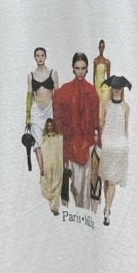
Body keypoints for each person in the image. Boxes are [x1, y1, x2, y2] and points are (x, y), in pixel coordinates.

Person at [53, 52, 101, 210]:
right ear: (73, 68)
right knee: (75, 185)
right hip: (71, 144)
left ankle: (84, 215)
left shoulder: (92, 92)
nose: (80, 71)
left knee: (85, 187)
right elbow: (59, 118)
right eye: (77, 68)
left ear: (87, 69)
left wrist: (97, 145)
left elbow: (95, 121)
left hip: (87, 144)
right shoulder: (65, 91)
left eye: (83, 68)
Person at [99, 75, 131, 226]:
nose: (117, 90)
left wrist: (125, 143)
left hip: (118, 146)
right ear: (111, 89)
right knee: (106, 179)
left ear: (122, 89)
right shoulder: (106, 105)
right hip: (107, 144)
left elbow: (126, 128)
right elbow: (102, 124)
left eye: (119, 88)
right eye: (115, 87)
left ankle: (107, 210)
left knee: (112, 181)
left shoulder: (126, 107)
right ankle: (107, 205)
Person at [25, 47, 58, 177]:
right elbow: (29, 96)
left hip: (50, 110)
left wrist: (59, 113)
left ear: (45, 57)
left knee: (49, 140)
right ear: (34, 57)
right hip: (36, 111)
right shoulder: (31, 75)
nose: (40, 58)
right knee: (37, 142)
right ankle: (42, 170)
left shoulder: (53, 73)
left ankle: (49, 168)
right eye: (37, 55)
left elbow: (57, 94)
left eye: (42, 55)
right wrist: (28, 117)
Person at [39, 118, 64, 215]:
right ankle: (51, 206)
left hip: (57, 165)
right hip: (47, 166)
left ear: (53, 125)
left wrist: (62, 165)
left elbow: (60, 153)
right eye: (48, 125)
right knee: (49, 186)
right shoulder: (43, 139)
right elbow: (42, 154)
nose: (50, 127)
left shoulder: (59, 138)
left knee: (57, 185)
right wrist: (41, 168)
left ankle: (55, 207)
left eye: (51, 125)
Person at [92, 39, 111, 105]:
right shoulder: (95, 61)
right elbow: (94, 75)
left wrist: (109, 88)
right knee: (97, 102)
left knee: (104, 101)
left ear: (104, 48)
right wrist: (93, 87)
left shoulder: (107, 62)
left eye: (102, 47)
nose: (101, 49)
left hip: (104, 84)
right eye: (100, 47)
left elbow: (108, 77)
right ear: (98, 47)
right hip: (97, 84)